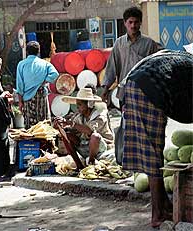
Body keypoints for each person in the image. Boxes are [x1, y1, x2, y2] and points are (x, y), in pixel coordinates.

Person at [120, 49, 193, 228]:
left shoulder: (186, 62)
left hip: (136, 84)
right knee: (153, 151)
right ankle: (158, 213)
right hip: (147, 90)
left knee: (153, 149)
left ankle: (165, 205)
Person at [100, 6, 158, 104]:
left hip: (144, 94)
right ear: (125, 23)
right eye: (130, 22)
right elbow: (111, 68)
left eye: (136, 22)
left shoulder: (149, 44)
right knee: (126, 119)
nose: (133, 26)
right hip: (125, 94)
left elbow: (155, 70)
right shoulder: (119, 43)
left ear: (140, 23)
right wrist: (105, 90)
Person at [56, 87, 114, 166]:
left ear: (89, 104)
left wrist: (72, 123)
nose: (77, 107)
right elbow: (72, 129)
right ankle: (79, 165)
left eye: (80, 104)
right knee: (68, 135)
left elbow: (90, 131)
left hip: (102, 148)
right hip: (85, 146)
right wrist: (61, 125)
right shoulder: (79, 117)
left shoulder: (100, 116)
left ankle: (91, 162)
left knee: (95, 136)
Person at [16, 41, 59, 129]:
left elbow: (19, 86)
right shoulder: (45, 63)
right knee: (43, 124)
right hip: (41, 94)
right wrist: (44, 81)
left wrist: (20, 102)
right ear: (38, 51)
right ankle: (44, 142)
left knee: (30, 127)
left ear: (27, 52)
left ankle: (31, 142)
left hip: (28, 98)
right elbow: (55, 74)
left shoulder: (21, 64)